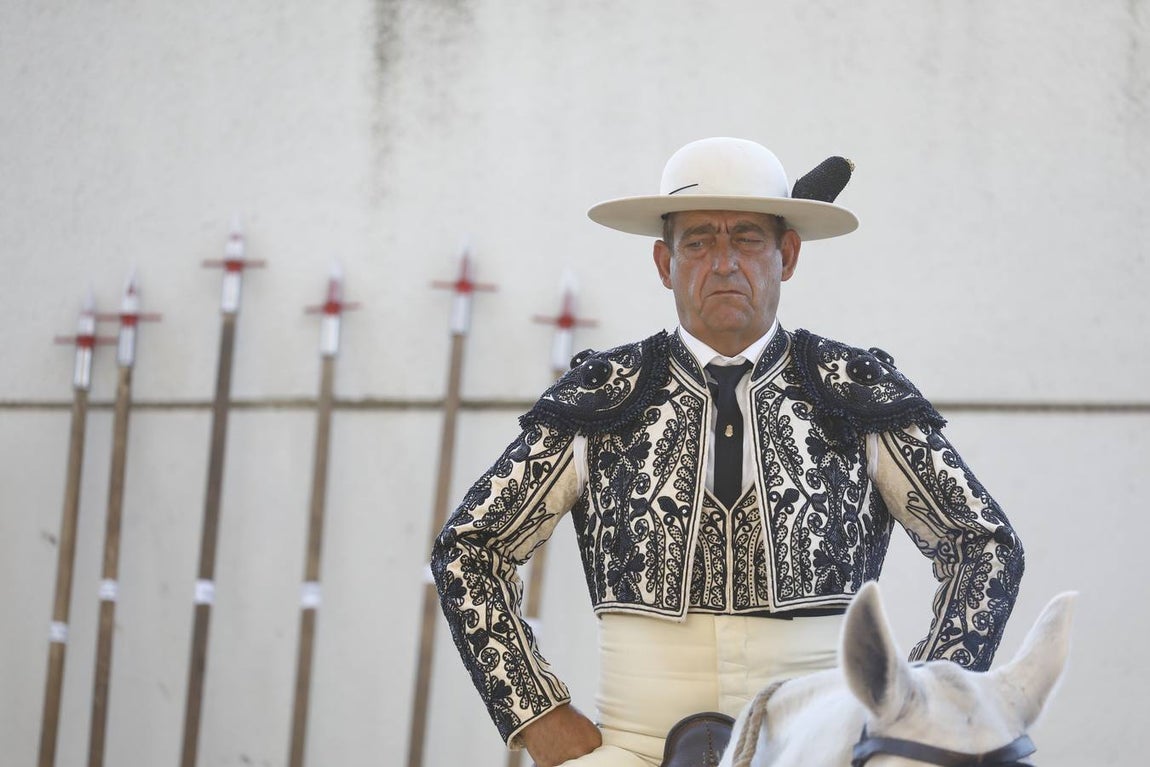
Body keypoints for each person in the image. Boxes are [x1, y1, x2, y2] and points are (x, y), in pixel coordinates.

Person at [430, 137, 1024, 767]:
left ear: (785, 255)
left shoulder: (853, 389)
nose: (723, 264)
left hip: (825, 749)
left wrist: (920, 710)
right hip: (633, 750)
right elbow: (470, 550)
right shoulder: (602, 395)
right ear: (664, 263)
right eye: (698, 243)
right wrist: (539, 715)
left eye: (746, 239)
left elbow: (983, 546)